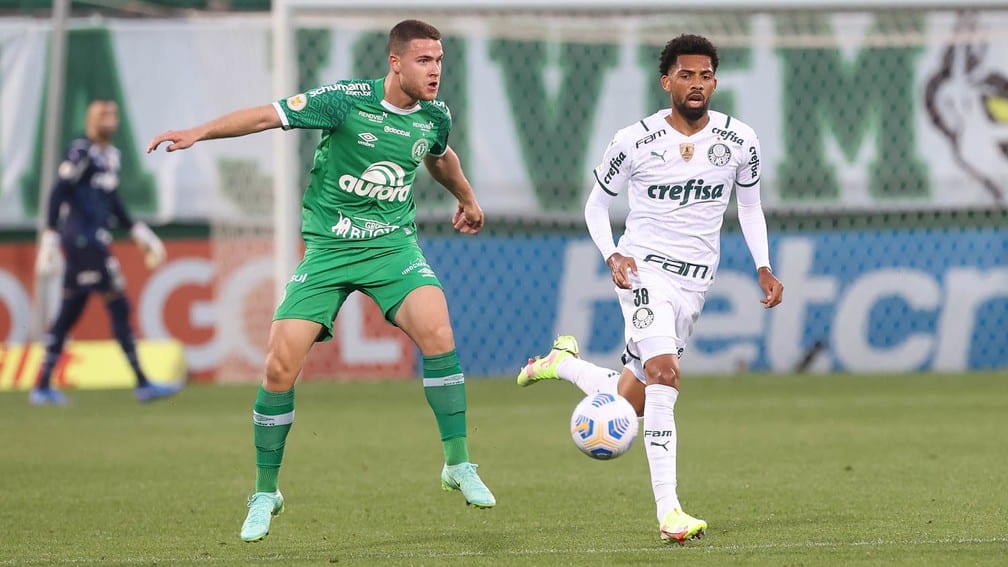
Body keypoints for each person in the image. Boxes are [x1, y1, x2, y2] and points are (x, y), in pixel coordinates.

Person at [146, 19, 496, 543]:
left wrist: (466, 197)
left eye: (440, 61)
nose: (435, 71)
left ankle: (457, 464)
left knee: (439, 334)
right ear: (395, 62)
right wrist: (199, 131)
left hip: (391, 247)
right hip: (330, 249)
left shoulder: (433, 115)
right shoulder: (346, 101)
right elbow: (269, 115)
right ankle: (266, 492)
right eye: (424, 61)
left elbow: (440, 156)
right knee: (278, 365)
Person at [517, 34, 784, 545]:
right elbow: (596, 205)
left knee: (632, 401)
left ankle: (561, 363)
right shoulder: (634, 141)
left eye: (706, 75)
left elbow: (749, 207)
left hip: (694, 283)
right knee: (665, 373)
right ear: (667, 81)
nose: (697, 84)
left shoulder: (740, 141)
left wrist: (764, 266)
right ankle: (670, 513)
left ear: (715, 81)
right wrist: (612, 254)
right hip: (643, 274)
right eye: (686, 74)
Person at [31, 100, 178, 406]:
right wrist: (49, 237)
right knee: (119, 304)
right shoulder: (82, 152)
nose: (108, 119)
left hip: (93, 239)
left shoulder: (111, 156)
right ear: (89, 121)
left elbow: (112, 200)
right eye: (102, 114)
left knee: (70, 310)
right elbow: (59, 190)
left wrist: (137, 230)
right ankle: (143, 383)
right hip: (83, 240)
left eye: (112, 114)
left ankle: (42, 386)